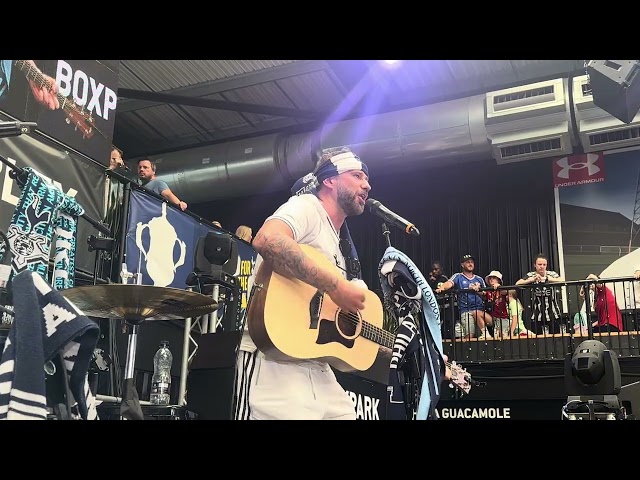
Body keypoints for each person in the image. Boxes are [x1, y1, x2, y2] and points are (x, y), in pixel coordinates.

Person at [235, 146, 372, 420]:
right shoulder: (307, 207)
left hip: (316, 364)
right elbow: (267, 239)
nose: (366, 185)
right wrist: (335, 285)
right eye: (357, 176)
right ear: (329, 180)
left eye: (366, 179)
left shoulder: (340, 243)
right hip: (273, 356)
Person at [436, 254, 493, 340]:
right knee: (469, 336)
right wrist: (442, 288)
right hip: (466, 311)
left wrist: (478, 291)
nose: (470, 264)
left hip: (480, 311)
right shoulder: (458, 276)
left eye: (472, 262)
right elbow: (449, 283)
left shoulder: (479, 279)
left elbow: (486, 295)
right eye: (468, 262)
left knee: (481, 337)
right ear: (462, 265)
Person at [516, 254, 565, 335]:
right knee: (538, 341)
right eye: (539, 264)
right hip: (537, 315)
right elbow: (518, 283)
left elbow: (562, 280)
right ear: (535, 265)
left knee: (555, 339)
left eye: (544, 264)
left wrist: (548, 279)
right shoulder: (531, 275)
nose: (542, 266)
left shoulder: (551, 274)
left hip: (553, 314)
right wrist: (531, 280)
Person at [484, 271, 509, 339]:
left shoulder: (502, 290)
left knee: (503, 337)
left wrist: (499, 287)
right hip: (493, 318)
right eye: (490, 278)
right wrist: (475, 287)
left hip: (502, 317)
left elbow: (505, 292)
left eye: (494, 278)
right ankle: (484, 333)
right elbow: (481, 293)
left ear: (498, 280)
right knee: (496, 337)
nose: (491, 279)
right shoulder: (488, 291)